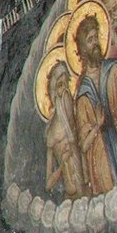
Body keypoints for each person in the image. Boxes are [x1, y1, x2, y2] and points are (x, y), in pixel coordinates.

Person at [73, 13, 117, 193]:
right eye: (90, 40)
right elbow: (84, 145)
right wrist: (97, 126)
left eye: (96, 37)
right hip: (103, 161)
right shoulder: (82, 96)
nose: (96, 43)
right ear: (82, 49)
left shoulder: (112, 70)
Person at [44, 59, 87, 199]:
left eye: (67, 83)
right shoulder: (51, 134)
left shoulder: (77, 117)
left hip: (87, 189)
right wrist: (62, 164)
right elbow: (48, 184)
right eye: (60, 85)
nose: (65, 90)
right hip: (70, 195)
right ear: (53, 91)